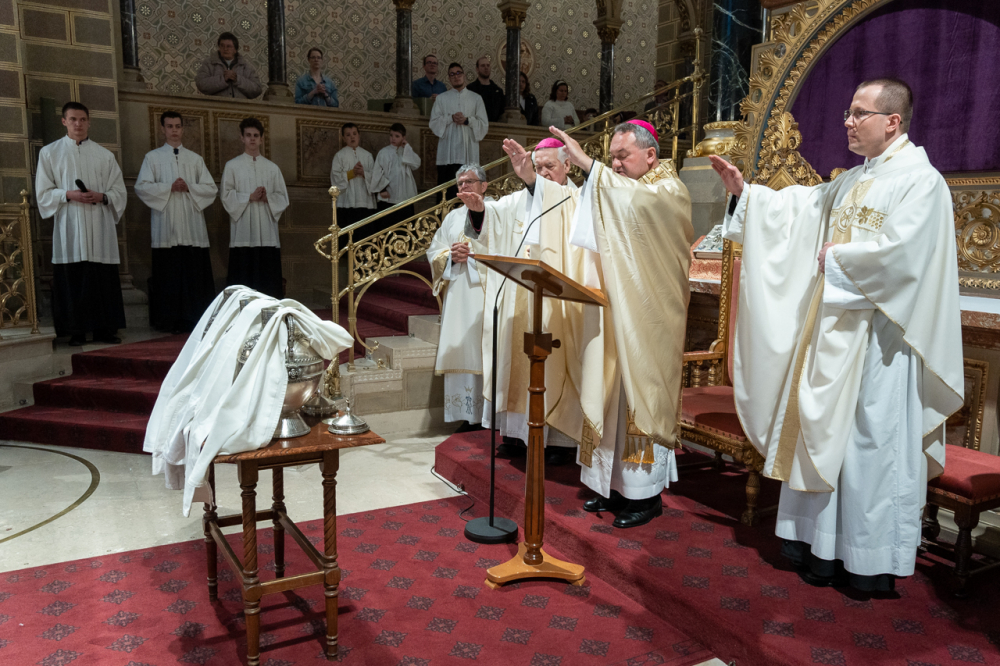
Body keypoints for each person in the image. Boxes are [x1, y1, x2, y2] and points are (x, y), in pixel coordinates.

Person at [709, 78, 963, 592]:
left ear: (892, 121)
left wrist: (840, 258)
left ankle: (866, 563)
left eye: (859, 113)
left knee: (869, 445)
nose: (848, 121)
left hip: (881, 343)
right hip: (832, 334)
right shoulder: (851, 181)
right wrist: (747, 196)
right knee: (825, 436)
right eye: (848, 111)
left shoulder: (921, 182)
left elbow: (908, 257)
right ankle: (817, 548)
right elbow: (800, 211)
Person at [546, 119, 692, 528]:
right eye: (611, 157)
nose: (615, 164)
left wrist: (588, 165)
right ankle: (610, 484)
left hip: (648, 320)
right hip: (614, 312)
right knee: (610, 396)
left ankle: (645, 495)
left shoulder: (669, 192)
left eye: (622, 156)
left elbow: (637, 206)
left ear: (650, 155)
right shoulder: (625, 188)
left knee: (636, 398)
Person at [462, 138, 580, 466]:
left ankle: (559, 439)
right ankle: (516, 433)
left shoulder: (576, 199)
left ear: (568, 165)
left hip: (557, 300)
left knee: (555, 364)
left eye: (549, 167)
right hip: (517, 294)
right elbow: (492, 220)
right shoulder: (518, 199)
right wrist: (479, 210)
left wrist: (530, 179)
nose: (542, 173)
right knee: (513, 362)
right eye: (537, 167)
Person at [35, 101, 128, 346]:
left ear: (89, 122)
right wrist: (68, 194)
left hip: (99, 226)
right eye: (73, 119)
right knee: (73, 278)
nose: (78, 124)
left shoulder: (104, 155)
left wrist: (102, 196)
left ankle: (104, 330)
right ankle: (76, 331)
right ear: (64, 121)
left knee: (101, 279)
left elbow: (119, 191)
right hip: (70, 226)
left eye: (83, 119)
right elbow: (43, 193)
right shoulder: (50, 153)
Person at [135, 111, 218, 333]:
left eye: (178, 126)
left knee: (193, 275)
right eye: (170, 126)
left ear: (182, 129)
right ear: (163, 129)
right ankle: (168, 320)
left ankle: (194, 319)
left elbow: (211, 189)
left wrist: (189, 186)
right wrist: (168, 187)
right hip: (166, 226)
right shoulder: (152, 158)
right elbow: (142, 187)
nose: (174, 130)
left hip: (192, 227)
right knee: (169, 275)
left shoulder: (195, 159)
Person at [427, 165, 492, 426]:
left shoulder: (496, 211)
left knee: (485, 350)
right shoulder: (453, 217)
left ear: (484, 186)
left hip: (486, 291)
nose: (464, 186)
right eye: (460, 183)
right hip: (458, 293)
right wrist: (450, 257)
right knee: (461, 347)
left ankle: (490, 416)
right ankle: (467, 415)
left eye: (470, 182)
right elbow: (435, 250)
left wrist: (473, 256)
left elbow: (508, 248)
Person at [221, 117, 289, 298]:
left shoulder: (272, 168)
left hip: (266, 232)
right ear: (242, 138)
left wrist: (267, 198)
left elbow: (282, 197)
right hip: (243, 231)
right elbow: (226, 195)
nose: (252, 139)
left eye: (256, 135)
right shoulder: (232, 166)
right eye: (248, 135)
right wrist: (249, 197)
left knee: (267, 278)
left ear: (261, 139)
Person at [429, 63, 489, 199]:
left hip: (468, 154)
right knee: (446, 195)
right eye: (452, 74)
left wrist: (467, 120)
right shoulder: (441, 98)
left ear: (463, 75)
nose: (456, 76)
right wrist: (450, 118)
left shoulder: (476, 98)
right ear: (449, 78)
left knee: (468, 193)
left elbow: (483, 125)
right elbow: (433, 123)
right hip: (447, 155)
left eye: (458, 73)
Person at [369, 123, 421, 231]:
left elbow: (416, 164)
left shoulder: (406, 151)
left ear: (403, 137)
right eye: (391, 135)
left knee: (404, 230)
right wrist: (382, 189)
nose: (393, 138)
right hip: (388, 197)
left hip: (404, 197)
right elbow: (377, 172)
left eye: (397, 136)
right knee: (387, 229)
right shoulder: (384, 152)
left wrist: (407, 147)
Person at [329, 123, 377, 233]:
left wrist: (364, 173)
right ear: (343, 138)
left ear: (359, 135)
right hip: (346, 203)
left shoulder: (367, 155)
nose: (352, 137)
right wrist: (351, 173)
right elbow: (335, 178)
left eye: (354, 134)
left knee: (365, 234)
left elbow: (376, 177)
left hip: (365, 202)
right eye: (348, 135)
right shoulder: (339, 156)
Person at [195, 32, 263, 99]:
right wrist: (222, 79)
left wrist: (237, 79)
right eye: (222, 46)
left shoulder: (246, 67)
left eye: (229, 46)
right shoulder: (209, 63)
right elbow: (201, 84)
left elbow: (257, 89)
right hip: (217, 105)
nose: (225, 49)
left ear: (235, 50)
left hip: (239, 106)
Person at [466, 56, 506, 123]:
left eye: (488, 65)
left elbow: (502, 113)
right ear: (477, 69)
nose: (486, 68)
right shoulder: (470, 89)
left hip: (495, 127)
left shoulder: (498, 91)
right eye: (483, 65)